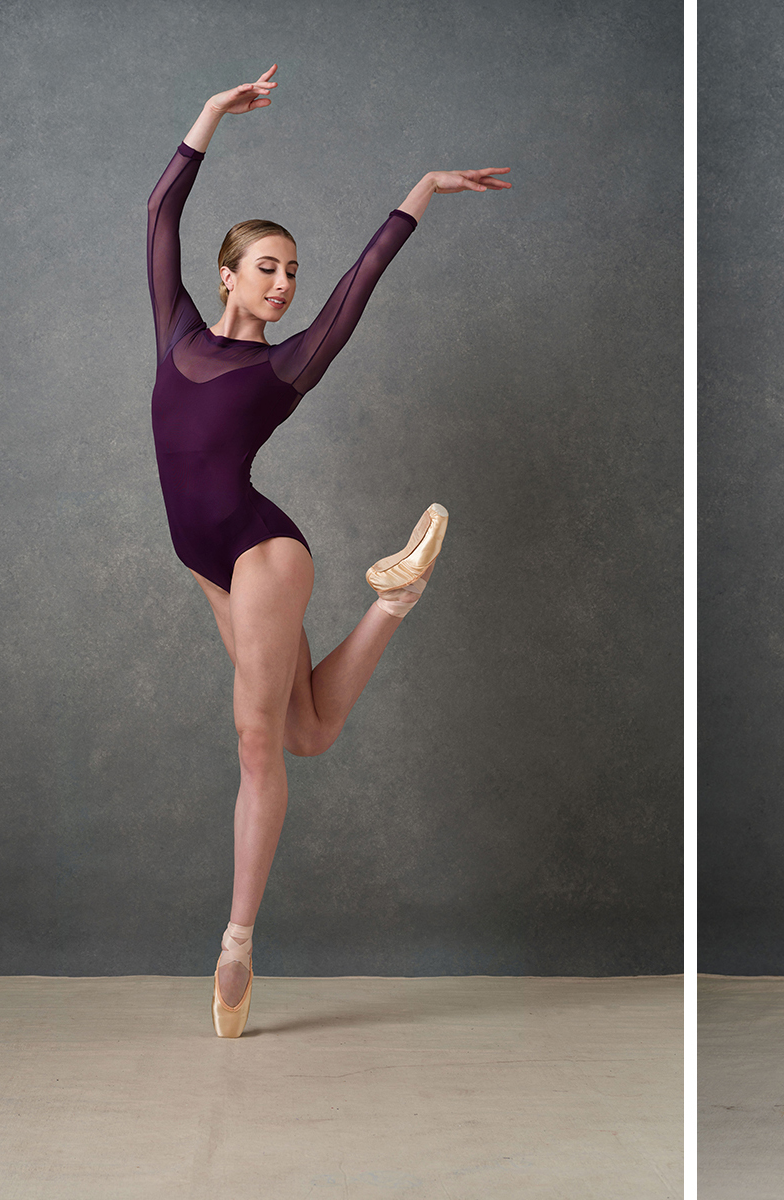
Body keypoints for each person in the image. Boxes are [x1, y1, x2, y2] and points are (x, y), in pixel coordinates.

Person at [145, 65, 509, 1037]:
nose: (285, 281)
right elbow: (159, 211)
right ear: (226, 275)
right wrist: (210, 115)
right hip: (207, 562)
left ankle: (235, 944)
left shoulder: (283, 366)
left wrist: (421, 192)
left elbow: (358, 290)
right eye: (267, 266)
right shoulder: (173, 327)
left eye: (292, 270)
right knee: (308, 733)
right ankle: (393, 600)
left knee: (258, 743)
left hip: (263, 555)